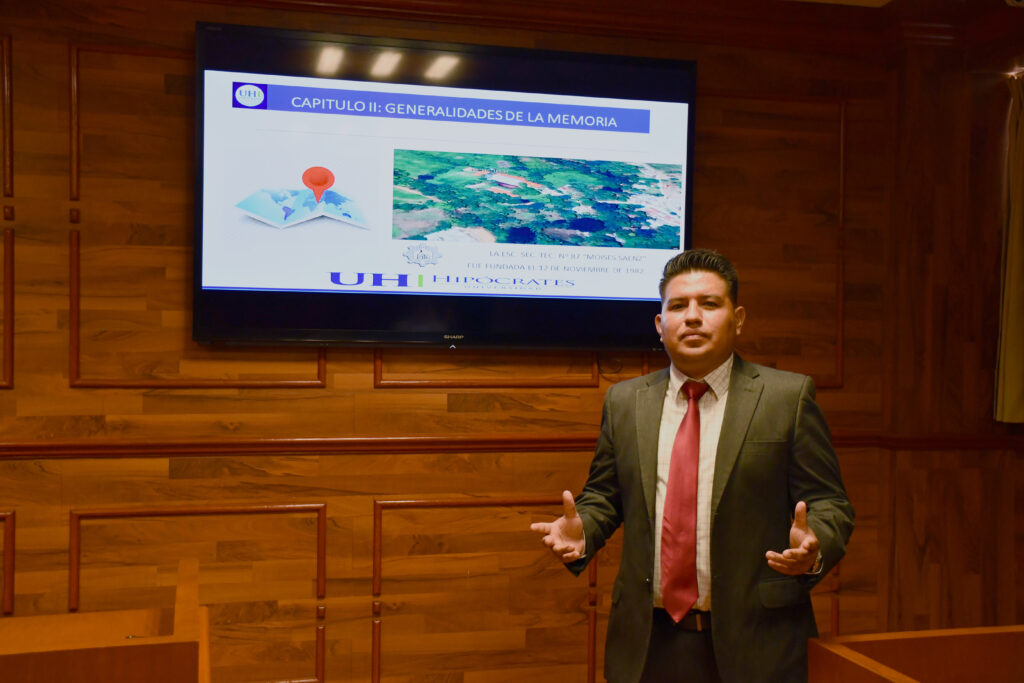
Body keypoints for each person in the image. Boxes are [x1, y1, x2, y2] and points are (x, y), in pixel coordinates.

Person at [530, 249, 854, 683]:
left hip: (759, 641)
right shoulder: (626, 402)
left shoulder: (787, 399)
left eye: (710, 304)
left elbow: (830, 503)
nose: (693, 317)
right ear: (660, 325)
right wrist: (583, 530)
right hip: (651, 642)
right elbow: (605, 497)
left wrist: (815, 546)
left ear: (738, 318)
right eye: (679, 306)